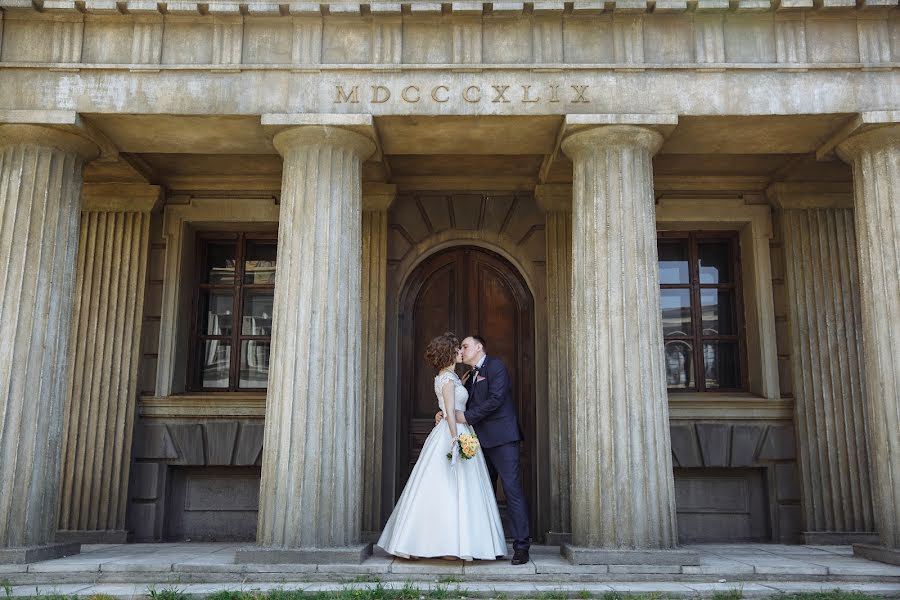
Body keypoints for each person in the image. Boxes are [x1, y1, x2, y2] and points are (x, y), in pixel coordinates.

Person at [377, 331, 506, 561]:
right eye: (457, 349)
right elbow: (449, 411)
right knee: (445, 487)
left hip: (460, 430)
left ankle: (457, 543)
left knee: (459, 489)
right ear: (449, 353)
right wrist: (456, 439)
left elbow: (452, 404)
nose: (460, 352)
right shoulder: (446, 379)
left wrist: (448, 410)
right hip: (452, 433)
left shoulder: (455, 378)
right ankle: (443, 544)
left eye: (462, 348)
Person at [437, 335, 532, 565]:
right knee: (482, 496)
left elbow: (496, 399)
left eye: (466, 346)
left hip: (502, 440)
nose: (462, 350)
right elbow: (457, 402)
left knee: (512, 491)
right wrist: (442, 413)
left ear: (479, 347)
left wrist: (465, 416)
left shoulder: (495, 366)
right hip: (478, 444)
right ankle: (487, 545)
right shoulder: (467, 377)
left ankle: (521, 547)